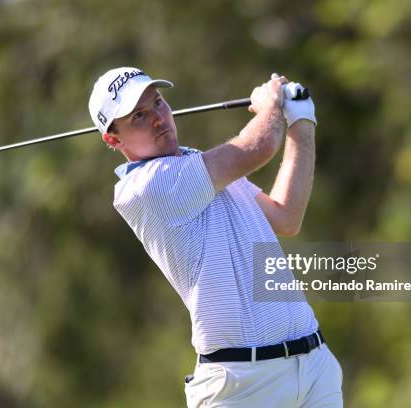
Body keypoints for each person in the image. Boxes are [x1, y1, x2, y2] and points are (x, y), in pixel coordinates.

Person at [88, 67, 343, 407]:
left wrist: (302, 122)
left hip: (313, 365)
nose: (158, 119)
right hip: (241, 386)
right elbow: (259, 146)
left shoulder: (197, 165)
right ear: (113, 139)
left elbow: (286, 215)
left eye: (159, 103)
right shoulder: (147, 188)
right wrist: (269, 106)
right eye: (138, 116)